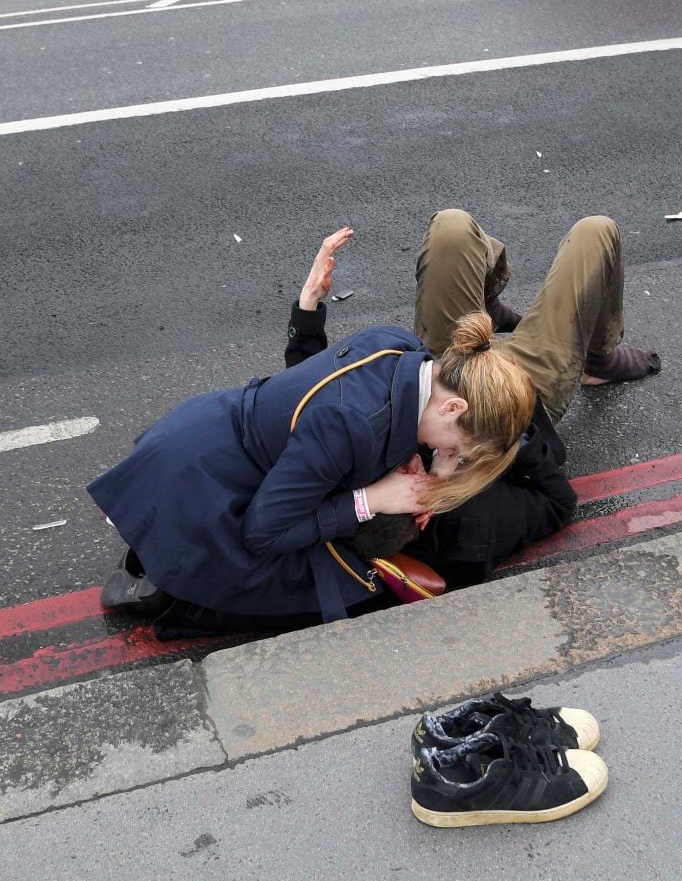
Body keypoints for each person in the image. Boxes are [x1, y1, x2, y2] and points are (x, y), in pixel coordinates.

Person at [88, 227, 536, 632]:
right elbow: (263, 533)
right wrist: (370, 500)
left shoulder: (398, 347)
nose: (447, 459)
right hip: (204, 491)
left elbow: (313, 398)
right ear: (454, 406)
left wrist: (308, 311)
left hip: (202, 436)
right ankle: (171, 580)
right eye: (456, 450)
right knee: (336, 587)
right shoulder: (351, 426)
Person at [284, 210, 660, 585]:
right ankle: (596, 356)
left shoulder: (357, 477)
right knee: (596, 231)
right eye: (414, 473)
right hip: (525, 389)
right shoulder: (471, 535)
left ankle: (487, 309)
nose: (411, 459)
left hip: (449, 367)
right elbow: (559, 503)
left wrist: (308, 309)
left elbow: (313, 405)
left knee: (452, 227)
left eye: (395, 472)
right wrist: (510, 433)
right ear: (424, 514)